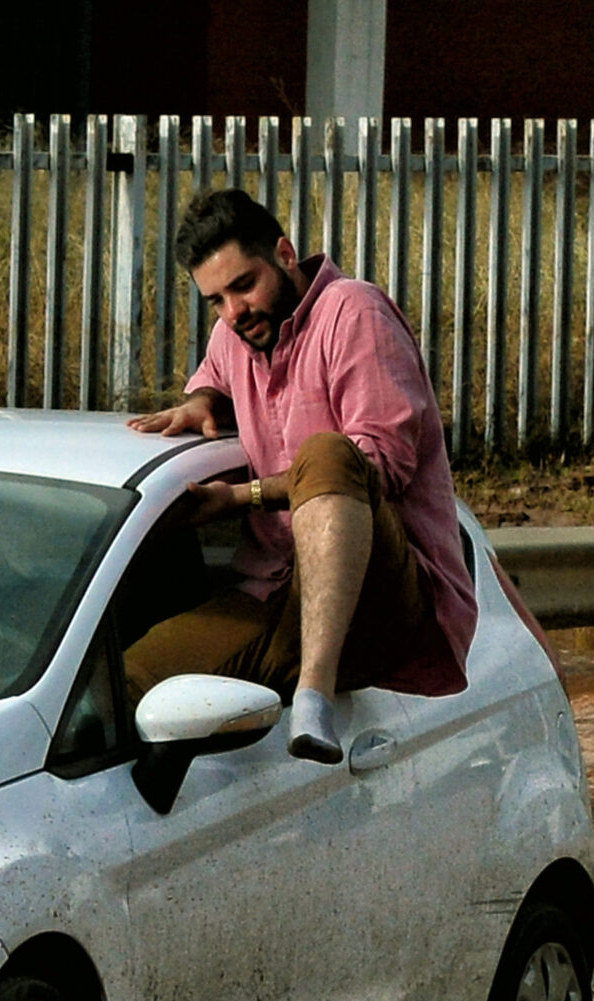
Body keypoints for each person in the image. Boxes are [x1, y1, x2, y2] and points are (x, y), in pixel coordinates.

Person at [128, 188, 475, 763]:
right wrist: (202, 398)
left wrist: (243, 497)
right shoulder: (235, 334)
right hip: (273, 589)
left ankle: (314, 698)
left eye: (244, 285)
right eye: (215, 300)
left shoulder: (353, 311)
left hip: (386, 591)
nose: (233, 311)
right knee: (126, 685)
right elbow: (214, 373)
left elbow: (380, 465)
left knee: (330, 454)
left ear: (285, 255)